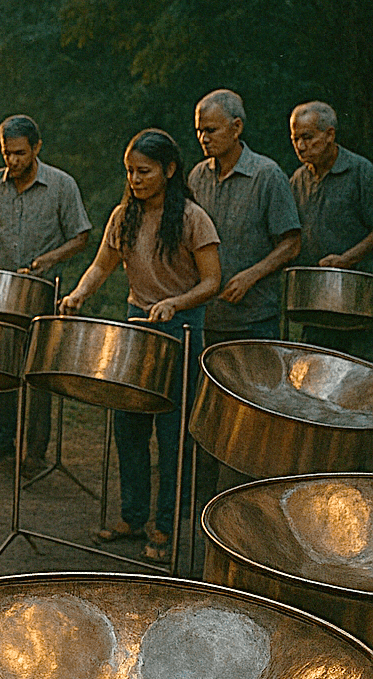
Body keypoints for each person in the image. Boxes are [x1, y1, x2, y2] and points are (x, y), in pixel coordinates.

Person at [61, 129, 221, 562]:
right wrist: (79, 294)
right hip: (137, 327)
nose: (135, 179)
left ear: (169, 170)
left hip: (181, 329)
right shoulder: (122, 216)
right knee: (128, 429)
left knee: (172, 436)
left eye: (144, 171)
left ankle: (165, 526)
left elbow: (212, 280)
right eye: (130, 171)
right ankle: (133, 516)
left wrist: (176, 302)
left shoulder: (191, 218)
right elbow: (100, 266)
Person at [0, 114, 91, 468]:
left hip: (43, 290)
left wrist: (48, 259)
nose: (13, 160)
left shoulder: (61, 185)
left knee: (37, 371)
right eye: (7, 153)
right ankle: (2, 441)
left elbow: (80, 236)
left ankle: (34, 451)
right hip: (2, 292)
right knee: (2, 366)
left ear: (36, 148)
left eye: (20, 153)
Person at [189, 89, 300, 347]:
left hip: (256, 319)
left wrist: (251, 275)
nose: (203, 138)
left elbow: (292, 243)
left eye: (211, 130)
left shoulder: (267, 175)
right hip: (208, 317)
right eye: (199, 131)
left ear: (236, 127)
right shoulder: (197, 177)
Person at [288, 100, 373, 359]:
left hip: (360, 308)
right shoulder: (297, 180)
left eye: (308, 137)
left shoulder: (361, 172)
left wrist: (347, 259)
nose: (301, 146)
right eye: (295, 138)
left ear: (329, 135)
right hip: (315, 308)